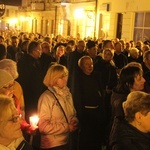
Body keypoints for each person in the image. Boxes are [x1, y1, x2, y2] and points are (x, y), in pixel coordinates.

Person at [38, 64, 78, 150]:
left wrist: (74, 120)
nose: (65, 79)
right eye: (62, 77)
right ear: (54, 78)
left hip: (67, 141)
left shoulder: (67, 94)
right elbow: (43, 127)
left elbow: (73, 113)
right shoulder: (46, 98)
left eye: (66, 76)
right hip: (53, 144)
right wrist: (67, 127)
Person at [77, 56, 105, 150]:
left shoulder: (96, 77)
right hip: (85, 114)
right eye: (87, 64)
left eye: (91, 64)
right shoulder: (78, 79)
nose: (90, 66)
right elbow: (78, 98)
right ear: (81, 66)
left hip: (97, 112)